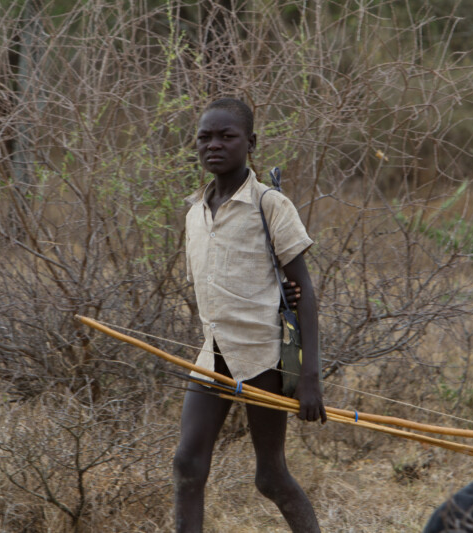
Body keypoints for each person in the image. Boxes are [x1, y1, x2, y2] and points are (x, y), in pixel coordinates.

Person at [174, 97, 326, 532]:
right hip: (212, 357)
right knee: (187, 464)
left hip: (263, 358)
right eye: (205, 137)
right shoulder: (195, 213)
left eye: (227, 136)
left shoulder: (270, 205)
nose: (214, 146)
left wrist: (310, 378)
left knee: (270, 476)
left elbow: (305, 293)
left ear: (251, 143)